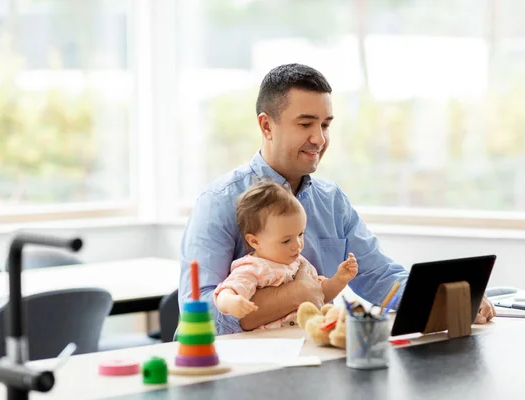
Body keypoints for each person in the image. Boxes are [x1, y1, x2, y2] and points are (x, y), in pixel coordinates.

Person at [179, 63, 496, 335]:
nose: (319, 139)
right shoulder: (219, 202)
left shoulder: (331, 201)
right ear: (266, 125)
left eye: (325, 125)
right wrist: (296, 293)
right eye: (306, 124)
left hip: (310, 359)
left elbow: (378, 275)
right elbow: (202, 316)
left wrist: (446, 296)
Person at [213, 180, 358, 329]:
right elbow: (227, 291)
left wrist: (339, 280)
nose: (297, 244)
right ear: (254, 241)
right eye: (286, 240)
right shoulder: (254, 267)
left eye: (300, 234)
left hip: (302, 341)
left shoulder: (299, 263)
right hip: (270, 345)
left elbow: (319, 295)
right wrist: (231, 302)